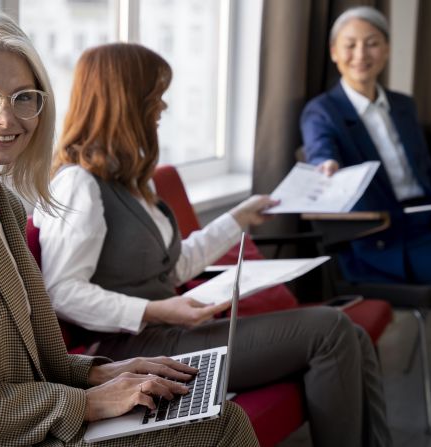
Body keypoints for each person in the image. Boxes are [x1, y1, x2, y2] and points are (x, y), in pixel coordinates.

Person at [0, 11, 259, 446]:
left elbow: (32, 363)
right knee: (223, 426)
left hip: (21, 423)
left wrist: (104, 373)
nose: (7, 119)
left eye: (22, 97)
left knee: (211, 409)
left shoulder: (4, 204)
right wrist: (88, 403)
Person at [34, 42, 392, 447]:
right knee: (329, 330)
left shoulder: (129, 179)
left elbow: (172, 267)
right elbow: (61, 291)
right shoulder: (78, 185)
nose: (163, 107)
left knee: (353, 336)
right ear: (126, 100)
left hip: (165, 333)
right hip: (132, 349)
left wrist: (237, 219)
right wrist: (153, 308)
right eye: (156, 96)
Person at [301, 5, 431, 400]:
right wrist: (326, 164)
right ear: (334, 52)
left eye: (371, 43)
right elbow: (320, 148)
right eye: (350, 45)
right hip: (385, 237)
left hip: (429, 211)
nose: (361, 54)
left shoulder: (403, 105)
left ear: (386, 50)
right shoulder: (323, 111)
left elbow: (425, 178)